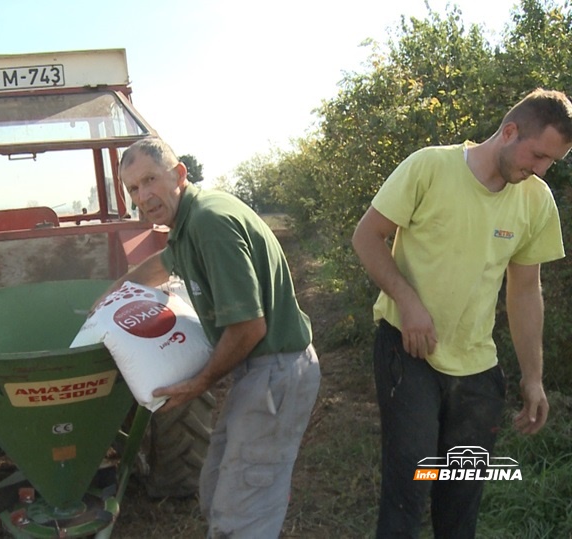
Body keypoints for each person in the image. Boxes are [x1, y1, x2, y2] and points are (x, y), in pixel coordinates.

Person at [352, 88, 572, 538]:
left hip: (477, 368)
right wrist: (409, 302)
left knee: (460, 499)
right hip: (408, 351)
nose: (542, 169)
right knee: (408, 492)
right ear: (509, 131)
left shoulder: (535, 199)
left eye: (552, 161)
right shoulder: (429, 166)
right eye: (538, 155)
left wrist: (533, 377)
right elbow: (367, 237)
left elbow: (525, 290)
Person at [106, 136, 321, 537]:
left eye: (151, 179)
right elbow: (161, 264)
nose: (144, 195)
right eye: (134, 188)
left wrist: (199, 383)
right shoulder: (187, 225)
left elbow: (249, 327)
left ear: (179, 174)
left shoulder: (210, 223)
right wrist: (110, 297)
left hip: (275, 372)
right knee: (216, 486)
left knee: (242, 514)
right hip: (257, 370)